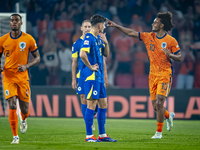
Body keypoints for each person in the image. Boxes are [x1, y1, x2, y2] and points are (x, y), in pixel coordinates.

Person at [107, 12, 182, 139]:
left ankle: (158, 133)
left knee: (159, 102)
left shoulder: (171, 40)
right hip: (152, 75)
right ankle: (169, 116)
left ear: (162, 25)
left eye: (155, 22)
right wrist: (115, 25)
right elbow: (130, 33)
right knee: (156, 107)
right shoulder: (148, 36)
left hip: (165, 74)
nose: (153, 23)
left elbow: (179, 57)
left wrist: (171, 55)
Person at [0, 14, 40, 144]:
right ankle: (15, 137)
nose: (14, 22)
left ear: (21, 22)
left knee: (24, 109)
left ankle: (23, 119)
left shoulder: (28, 39)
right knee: (11, 104)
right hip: (8, 77)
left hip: (23, 78)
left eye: (16, 20)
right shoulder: (3, 40)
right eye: (12, 20)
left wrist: (27, 66)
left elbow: (37, 57)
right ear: (10, 23)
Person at [80, 15, 116, 142]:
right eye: (104, 25)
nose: (105, 27)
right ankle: (89, 136)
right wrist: (90, 67)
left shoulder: (99, 39)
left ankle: (102, 135)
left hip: (99, 77)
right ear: (100, 25)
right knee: (91, 104)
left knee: (103, 104)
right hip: (91, 76)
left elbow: (106, 54)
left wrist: (106, 42)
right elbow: (82, 54)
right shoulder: (88, 37)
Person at [71, 20, 109, 132]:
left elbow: (103, 58)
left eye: (89, 26)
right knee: (85, 99)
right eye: (85, 26)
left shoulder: (97, 39)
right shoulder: (77, 44)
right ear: (81, 28)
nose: (87, 28)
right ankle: (89, 126)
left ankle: (96, 129)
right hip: (83, 74)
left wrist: (105, 76)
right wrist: (73, 78)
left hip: (97, 75)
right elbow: (74, 62)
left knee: (97, 102)